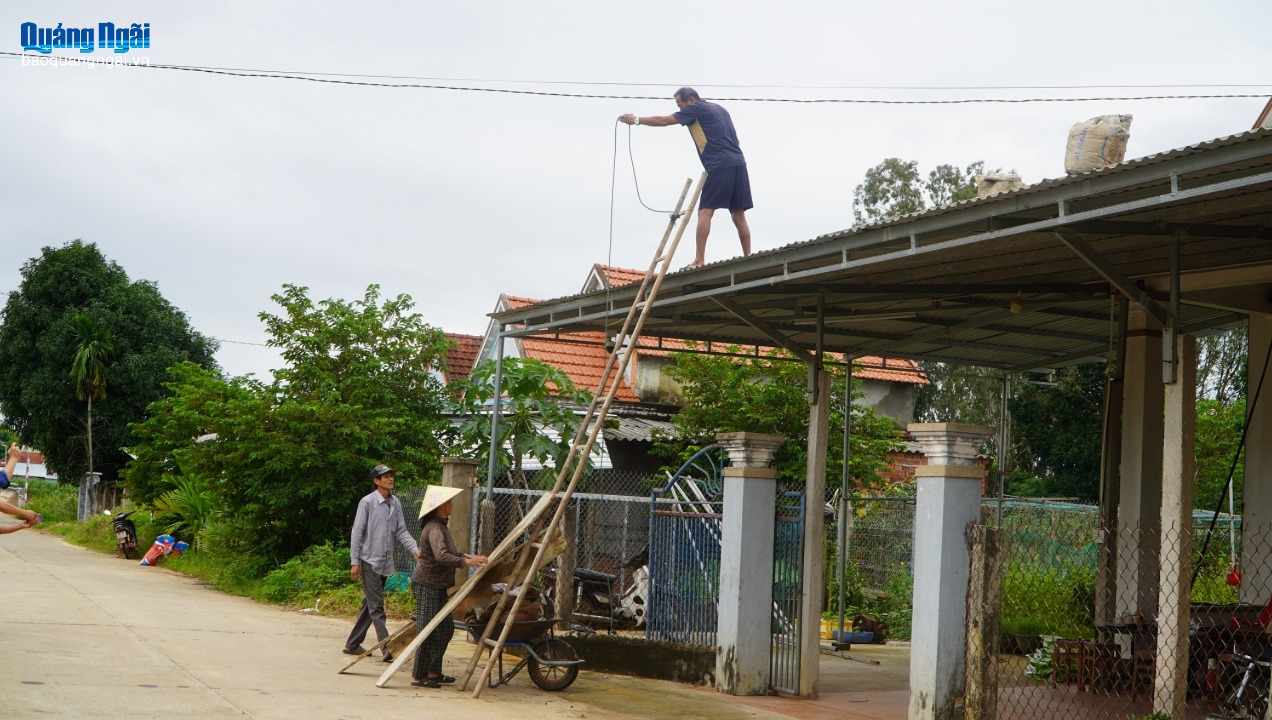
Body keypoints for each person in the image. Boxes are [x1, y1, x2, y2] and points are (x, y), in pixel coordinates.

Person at [620, 87, 753, 268]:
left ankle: (699, 260)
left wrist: (636, 120)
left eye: (680, 105)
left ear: (691, 99)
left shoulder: (695, 109)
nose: (681, 110)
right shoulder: (719, 108)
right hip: (739, 162)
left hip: (719, 164)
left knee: (705, 211)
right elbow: (735, 138)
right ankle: (748, 256)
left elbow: (663, 120)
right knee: (738, 214)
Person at [410, 485, 487, 688]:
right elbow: (442, 556)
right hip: (427, 584)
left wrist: (467, 557)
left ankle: (434, 672)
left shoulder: (441, 526)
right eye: (449, 502)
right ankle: (419, 676)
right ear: (441, 506)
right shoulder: (434, 528)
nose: (452, 504)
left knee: (445, 629)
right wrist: (466, 562)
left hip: (438, 585)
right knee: (427, 630)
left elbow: (450, 553)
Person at [344, 464, 420, 661]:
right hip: (369, 560)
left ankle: (352, 644)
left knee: (369, 603)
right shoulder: (367, 502)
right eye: (385, 476)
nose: (390, 479)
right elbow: (357, 532)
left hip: (385, 563)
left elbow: (401, 531)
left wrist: (415, 549)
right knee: (377, 606)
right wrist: (355, 562)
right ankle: (387, 648)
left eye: (391, 476)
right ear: (376, 481)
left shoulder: (395, 503)